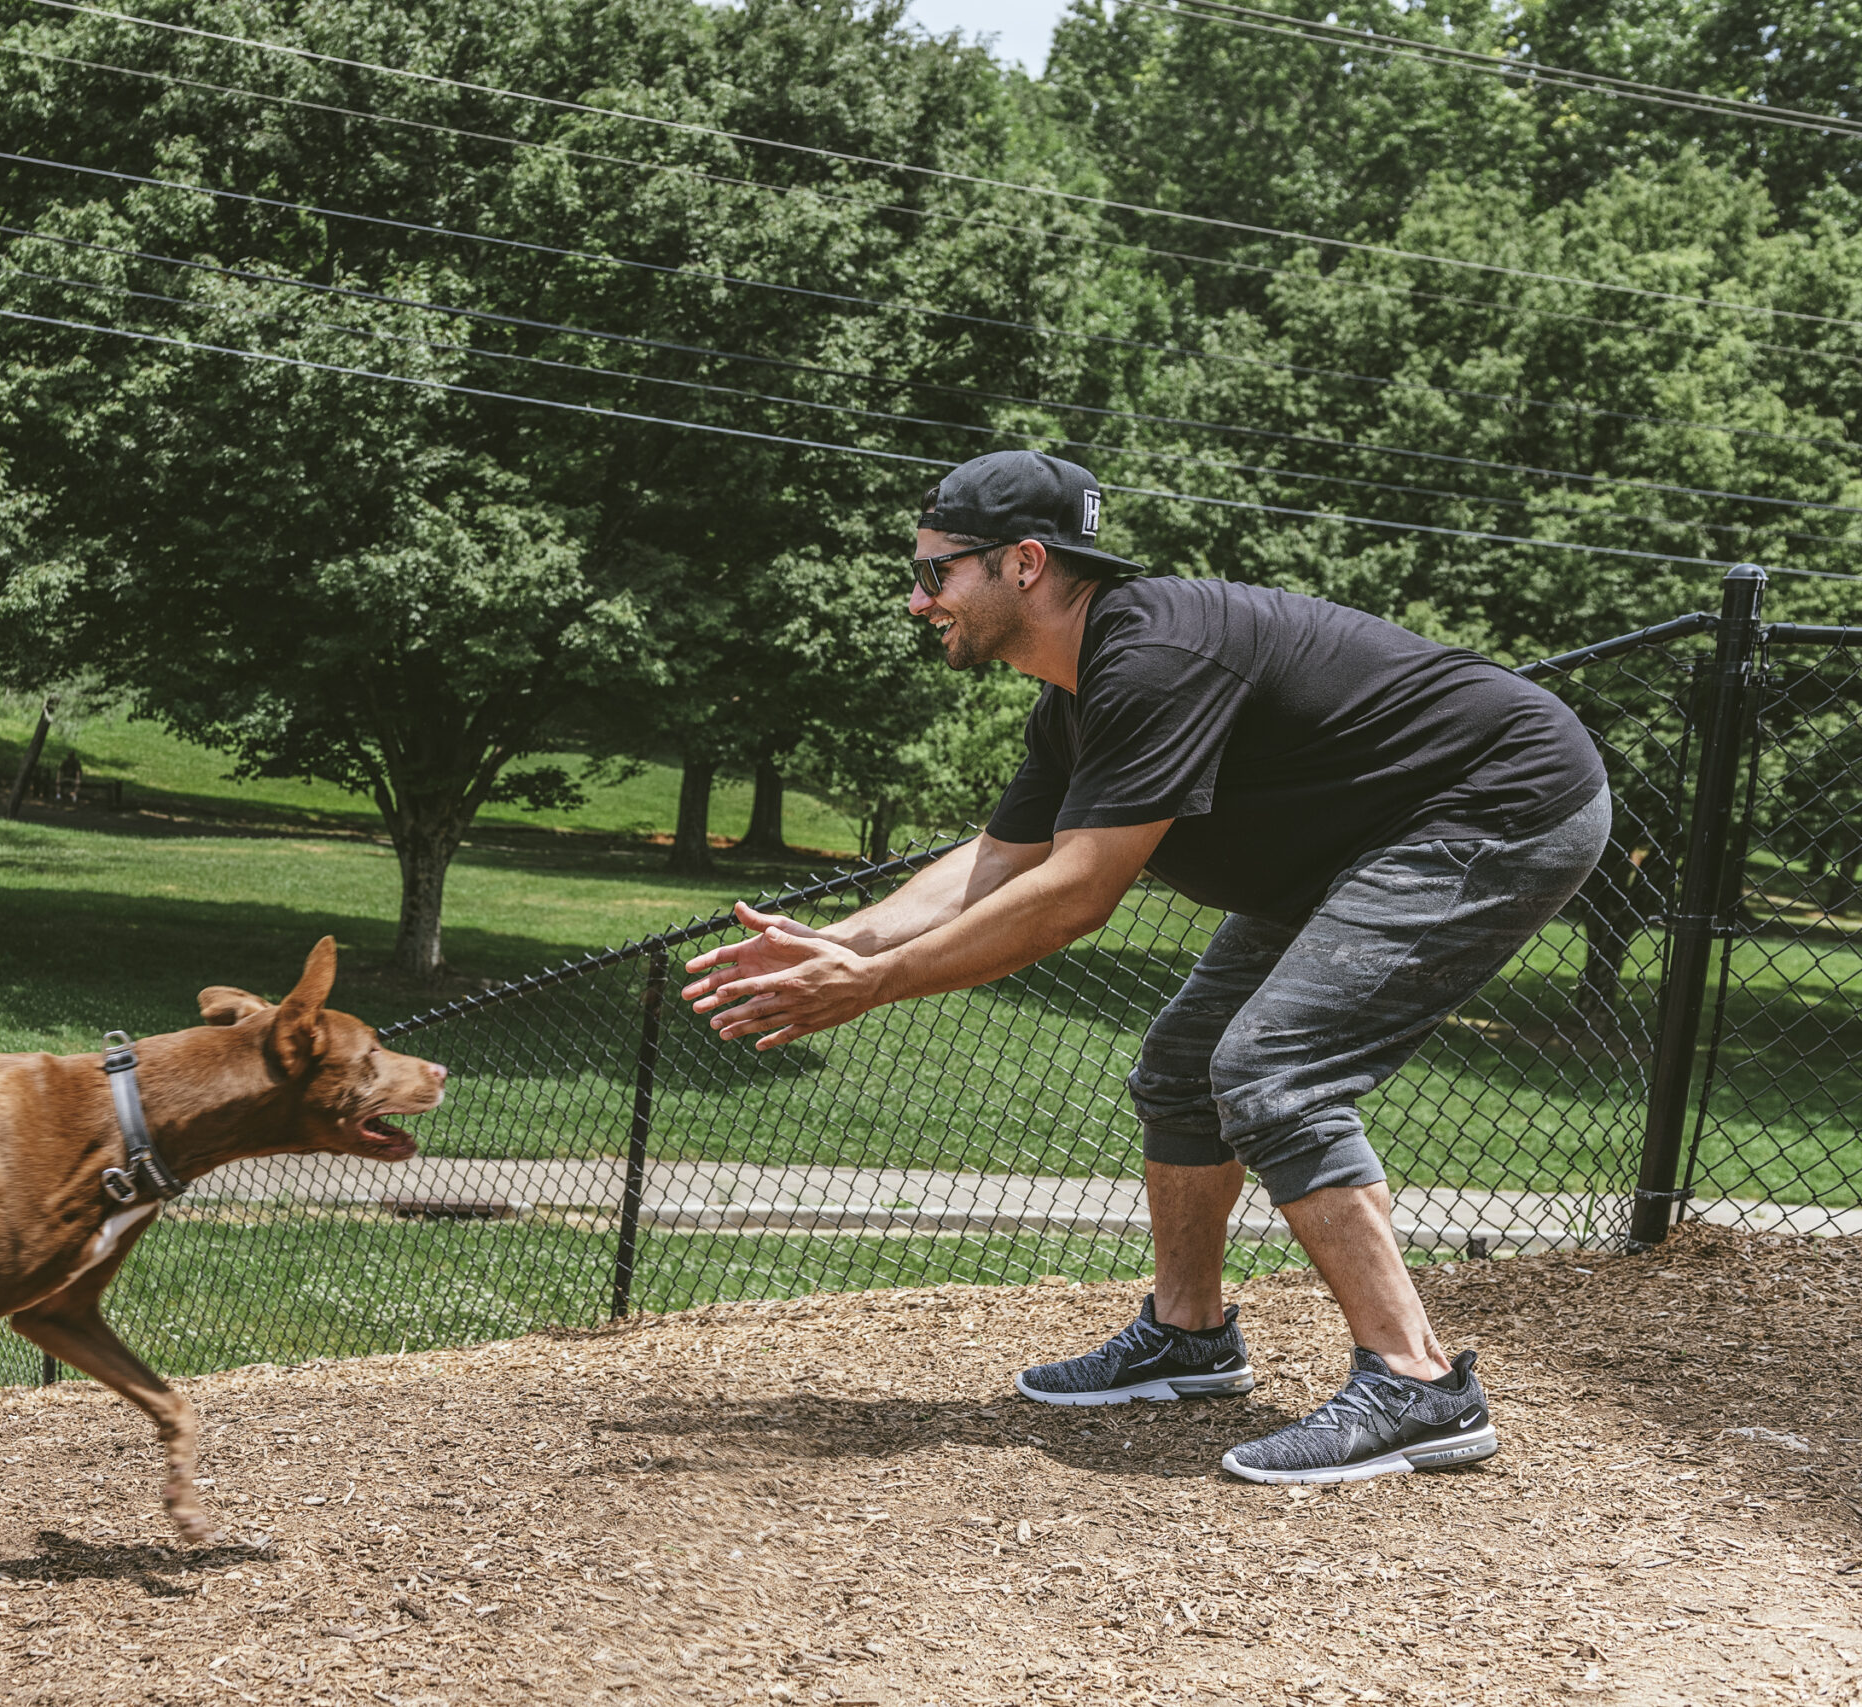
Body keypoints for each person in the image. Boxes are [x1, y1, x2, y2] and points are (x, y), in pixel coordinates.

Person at [679, 450, 1609, 1485]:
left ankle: (1418, 1385)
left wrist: (875, 986)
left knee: (1272, 1070)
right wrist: (845, 944)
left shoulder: (1155, 657)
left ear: (1022, 563)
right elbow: (1000, 860)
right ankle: (1189, 1336)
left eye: (937, 571)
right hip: (1348, 844)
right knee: (1182, 1067)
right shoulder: (1080, 692)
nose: (917, 598)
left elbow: (1073, 897)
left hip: (1493, 809)